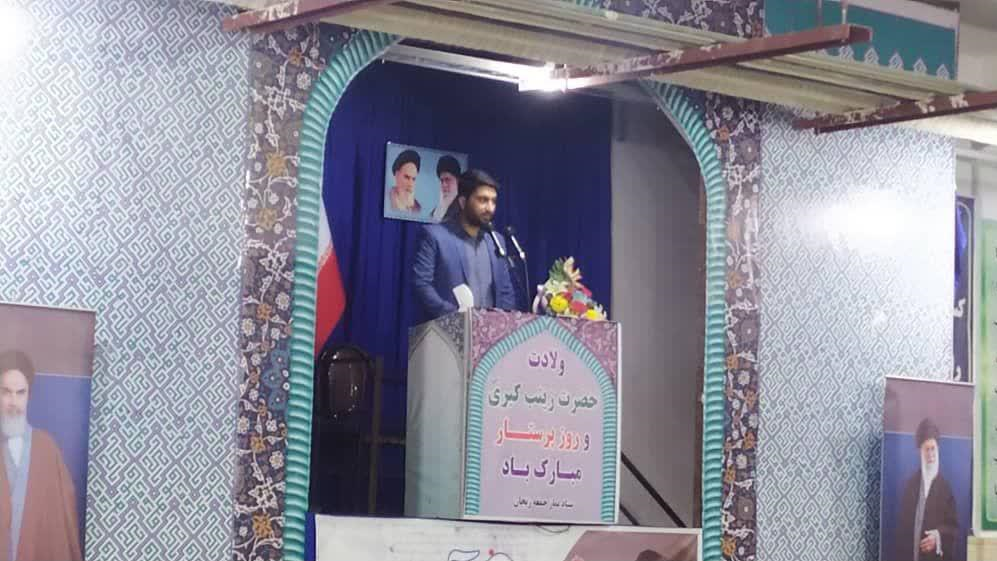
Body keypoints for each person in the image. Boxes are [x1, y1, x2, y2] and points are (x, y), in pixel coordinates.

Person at [0, 350, 82, 561]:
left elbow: (62, 523)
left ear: (29, 396)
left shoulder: (47, 448)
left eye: (20, 393)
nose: (13, 402)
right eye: (6, 392)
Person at [412, 169, 516, 324]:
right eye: (483, 200)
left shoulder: (496, 241)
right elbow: (421, 284)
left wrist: (502, 323)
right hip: (447, 330)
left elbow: (505, 291)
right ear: (462, 201)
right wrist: (455, 316)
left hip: (492, 333)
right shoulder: (435, 236)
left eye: (493, 201)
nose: (490, 208)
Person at [894, 417, 958, 561]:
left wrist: (938, 537)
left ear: (938, 449)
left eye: (933, 448)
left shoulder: (946, 489)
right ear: (920, 452)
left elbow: (953, 528)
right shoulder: (910, 485)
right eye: (926, 449)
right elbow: (902, 531)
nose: (930, 455)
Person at [388, 149, 422, 214]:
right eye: (406, 177)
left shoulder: (417, 208)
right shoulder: (387, 200)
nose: (410, 184)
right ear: (397, 175)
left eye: (413, 179)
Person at [430, 155, 461, 223]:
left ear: (457, 181)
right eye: (442, 181)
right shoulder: (435, 212)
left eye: (447, 180)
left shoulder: (465, 209)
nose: (444, 185)